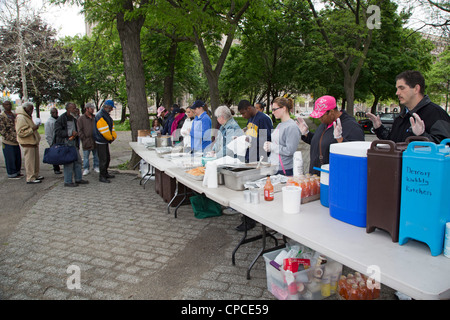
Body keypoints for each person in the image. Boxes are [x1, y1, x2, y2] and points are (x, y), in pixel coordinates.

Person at [367, 70, 450, 143]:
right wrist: (379, 128)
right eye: (397, 89)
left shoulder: (436, 113)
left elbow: (445, 146)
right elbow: (394, 143)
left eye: (401, 88)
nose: (397, 93)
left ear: (416, 89)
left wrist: (422, 136)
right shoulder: (402, 116)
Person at [297, 95, 364, 175]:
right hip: (316, 174)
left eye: (321, 116)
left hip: (334, 176)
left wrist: (341, 140)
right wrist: (307, 134)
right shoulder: (325, 122)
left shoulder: (351, 126)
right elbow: (322, 142)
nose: (319, 118)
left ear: (331, 112)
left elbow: (357, 154)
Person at [233, 100, 273, 231]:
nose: (243, 116)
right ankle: (247, 218)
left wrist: (250, 140)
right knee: (247, 188)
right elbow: (251, 134)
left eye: (243, 113)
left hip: (259, 159)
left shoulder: (263, 119)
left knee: (253, 189)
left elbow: (267, 140)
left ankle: (251, 220)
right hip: (249, 156)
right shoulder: (251, 119)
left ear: (249, 108)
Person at [263, 97, 301, 176]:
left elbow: (290, 151)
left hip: (284, 170)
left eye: (274, 109)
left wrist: (272, 146)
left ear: (283, 108)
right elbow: (276, 143)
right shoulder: (280, 125)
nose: (272, 112)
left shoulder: (292, 127)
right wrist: (268, 145)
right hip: (274, 167)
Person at [54, 102, 89, 187]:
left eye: (75, 107)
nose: (75, 109)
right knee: (69, 163)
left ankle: (78, 179)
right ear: (68, 109)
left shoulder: (74, 118)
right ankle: (68, 181)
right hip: (66, 144)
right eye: (73, 108)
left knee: (78, 161)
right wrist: (70, 133)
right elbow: (57, 132)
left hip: (74, 144)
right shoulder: (61, 119)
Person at [15, 102, 43, 184]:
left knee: (35, 160)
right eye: (30, 109)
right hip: (27, 142)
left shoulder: (27, 116)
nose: (31, 111)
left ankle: (35, 174)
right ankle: (30, 177)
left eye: (32, 109)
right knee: (30, 161)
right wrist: (32, 129)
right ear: (25, 108)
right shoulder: (21, 117)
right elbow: (21, 132)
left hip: (33, 141)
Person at [94, 99, 117, 183]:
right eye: (111, 107)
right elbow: (103, 130)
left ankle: (105, 173)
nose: (112, 109)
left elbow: (111, 126)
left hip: (104, 141)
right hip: (101, 141)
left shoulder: (105, 114)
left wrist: (113, 136)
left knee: (107, 158)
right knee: (103, 160)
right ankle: (102, 176)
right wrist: (111, 137)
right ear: (106, 106)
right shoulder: (100, 115)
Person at [0, 100, 22, 179]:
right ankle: (12, 173)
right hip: (8, 141)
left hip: (16, 141)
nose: (8, 106)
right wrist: (12, 138)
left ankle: (17, 172)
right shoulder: (2, 116)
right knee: (10, 158)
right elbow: (2, 131)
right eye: (6, 104)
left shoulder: (13, 115)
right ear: (3, 105)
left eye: (9, 104)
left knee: (17, 157)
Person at [77, 103, 99, 176]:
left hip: (94, 140)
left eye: (93, 109)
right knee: (86, 156)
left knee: (96, 155)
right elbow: (79, 130)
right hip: (86, 140)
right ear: (87, 109)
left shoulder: (94, 117)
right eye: (91, 108)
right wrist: (83, 138)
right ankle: (86, 168)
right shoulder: (81, 119)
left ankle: (96, 166)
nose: (93, 110)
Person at [44, 107, 62, 174]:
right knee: (54, 155)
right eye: (54, 112)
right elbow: (48, 134)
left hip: (60, 140)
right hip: (53, 141)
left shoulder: (59, 119)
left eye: (56, 112)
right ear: (51, 113)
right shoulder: (49, 122)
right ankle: (56, 168)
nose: (55, 114)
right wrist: (50, 143)